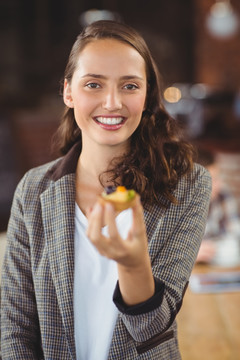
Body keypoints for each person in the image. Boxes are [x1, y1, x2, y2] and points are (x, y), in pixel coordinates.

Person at [0, 20, 211, 360]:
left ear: (147, 97)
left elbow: (153, 328)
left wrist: (132, 266)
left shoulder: (187, 185)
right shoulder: (33, 191)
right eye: (94, 84)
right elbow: (14, 329)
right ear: (68, 91)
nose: (112, 102)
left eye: (129, 86)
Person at [196, 148, 240, 265]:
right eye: (213, 180)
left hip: (215, 266)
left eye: (218, 177)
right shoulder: (178, 204)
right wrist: (191, 254)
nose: (219, 184)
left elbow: (234, 233)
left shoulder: (223, 196)